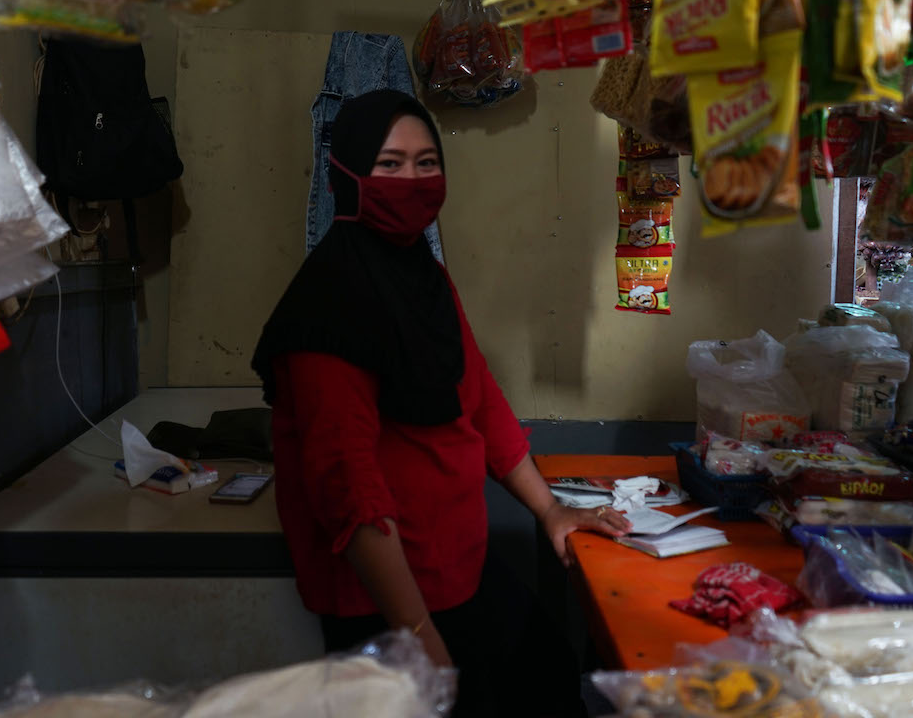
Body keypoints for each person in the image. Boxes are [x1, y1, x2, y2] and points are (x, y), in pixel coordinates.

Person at [251, 90, 632, 717]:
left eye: (427, 162)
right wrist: (419, 638)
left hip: (461, 566)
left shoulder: (423, 276)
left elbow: (476, 396)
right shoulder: (329, 306)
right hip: (390, 601)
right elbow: (347, 485)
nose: (414, 180)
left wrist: (552, 512)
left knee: (549, 682)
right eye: (390, 164)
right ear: (346, 174)